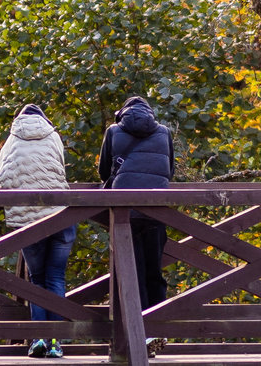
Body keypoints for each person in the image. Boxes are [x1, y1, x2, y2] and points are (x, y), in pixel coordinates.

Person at [0, 103, 76, 359]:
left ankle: (38, 338)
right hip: (59, 215)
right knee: (56, 278)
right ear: (44, 118)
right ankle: (55, 343)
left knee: (37, 280)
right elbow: (60, 168)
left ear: (18, 120)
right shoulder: (53, 137)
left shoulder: (11, 141)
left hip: (27, 220)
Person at [98, 96, 173, 357]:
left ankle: (135, 333)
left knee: (132, 273)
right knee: (154, 271)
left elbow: (104, 170)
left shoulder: (113, 131)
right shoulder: (164, 132)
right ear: (150, 113)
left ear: (123, 113)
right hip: (156, 209)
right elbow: (169, 171)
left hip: (124, 211)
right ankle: (156, 329)